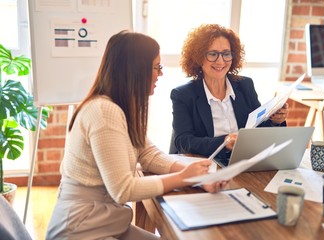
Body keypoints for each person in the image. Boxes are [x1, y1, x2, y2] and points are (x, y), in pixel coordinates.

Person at [46, 30, 228, 240]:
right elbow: (123, 189)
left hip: (106, 222)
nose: (160, 74)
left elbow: (148, 153)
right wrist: (182, 178)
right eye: (156, 67)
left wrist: (195, 175)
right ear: (135, 70)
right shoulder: (104, 112)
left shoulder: (120, 107)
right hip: (82, 229)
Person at [170, 24, 288, 159]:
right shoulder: (183, 95)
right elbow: (183, 142)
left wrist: (276, 121)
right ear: (198, 57)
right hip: (206, 164)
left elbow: (258, 129)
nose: (220, 61)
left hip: (243, 162)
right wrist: (224, 142)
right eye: (212, 54)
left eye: (226, 54)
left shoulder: (245, 85)